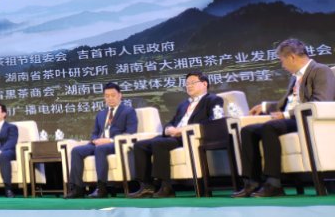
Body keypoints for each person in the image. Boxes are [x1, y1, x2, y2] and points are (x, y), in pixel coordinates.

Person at [232, 39, 335, 198]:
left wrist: (286, 115)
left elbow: (321, 102)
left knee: (270, 127)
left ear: (292, 57)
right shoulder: (295, 77)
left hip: (306, 121)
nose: (282, 65)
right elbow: (286, 103)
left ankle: (274, 184)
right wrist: (264, 107)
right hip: (290, 119)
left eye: (282, 60)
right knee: (247, 130)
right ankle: (251, 182)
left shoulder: (320, 70)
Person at [127, 72, 223, 198]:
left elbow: (214, 121)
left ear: (204, 84)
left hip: (189, 137)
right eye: (187, 84)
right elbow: (172, 121)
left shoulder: (213, 100)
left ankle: (166, 186)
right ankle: (147, 186)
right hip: (173, 136)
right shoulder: (184, 104)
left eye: (192, 83)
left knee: (159, 143)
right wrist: (168, 129)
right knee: (140, 145)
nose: (189, 86)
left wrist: (183, 130)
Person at [65, 83, 138, 199]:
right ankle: (77, 188)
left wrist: (109, 140)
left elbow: (131, 132)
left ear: (120, 95)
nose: (110, 98)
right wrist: (95, 140)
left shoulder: (128, 111)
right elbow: (95, 132)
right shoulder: (101, 114)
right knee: (76, 151)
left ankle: (101, 188)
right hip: (99, 143)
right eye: (107, 96)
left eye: (113, 95)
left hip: (116, 144)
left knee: (101, 149)